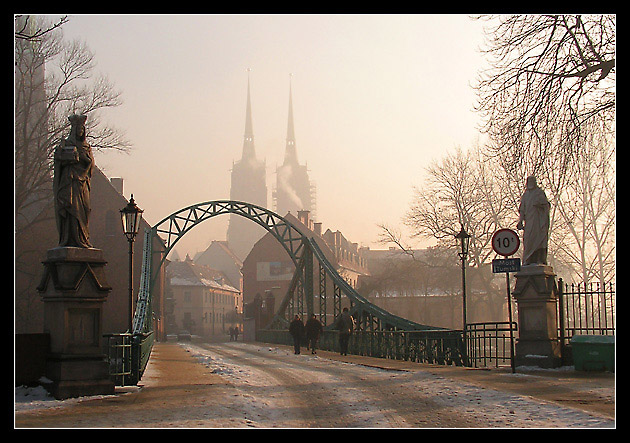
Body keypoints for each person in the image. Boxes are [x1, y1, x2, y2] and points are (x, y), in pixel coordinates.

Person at [53, 114, 94, 248]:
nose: (80, 132)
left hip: (83, 183)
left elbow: (90, 166)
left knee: (85, 209)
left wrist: (86, 161)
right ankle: (70, 239)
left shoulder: (87, 147)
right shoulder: (67, 144)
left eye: (82, 129)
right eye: (78, 129)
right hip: (70, 181)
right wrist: (66, 158)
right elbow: (59, 161)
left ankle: (83, 238)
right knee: (71, 208)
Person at [517, 176, 551, 265]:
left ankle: (539, 259)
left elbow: (546, 206)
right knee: (528, 241)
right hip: (529, 223)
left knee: (539, 240)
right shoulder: (525, 195)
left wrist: (540, 205)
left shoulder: (539, 193)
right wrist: (520, 221)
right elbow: (522, 210)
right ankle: (528, 260)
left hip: (538, 222)